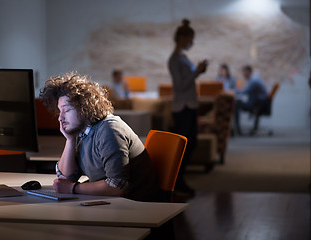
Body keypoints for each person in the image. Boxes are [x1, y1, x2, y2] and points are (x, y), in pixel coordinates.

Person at [39, 72, 159, 202]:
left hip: (136, 208)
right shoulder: (81, 132)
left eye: (66, 110)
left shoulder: (109, 130)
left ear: (84, 107)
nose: (60, 118)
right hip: (113, 204)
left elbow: (117, 186)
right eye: (60, 111)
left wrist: (73, 188)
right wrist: (70, 140)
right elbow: (66, 177)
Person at [168, 19, 208, 195]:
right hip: (182, 107)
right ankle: (176, 180)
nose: (192, 42)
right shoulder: (174, 60)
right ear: (182, 38)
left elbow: (187, 81)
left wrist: (198, 72)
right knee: (184, 145)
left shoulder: (182, 58)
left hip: (189, 105)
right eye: (191, 38)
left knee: (191, 143)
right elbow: (180, 85)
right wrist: (197, 72)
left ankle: (179, 179)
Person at [234, 65, 269, 135]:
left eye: (245, 72)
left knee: (236, 104)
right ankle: (237, 129)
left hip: (257, 105)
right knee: (238, 102)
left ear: (249, 72)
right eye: (243, 72)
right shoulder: (253, 79)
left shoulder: (253, 81)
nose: (243, 74)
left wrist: (233, 92)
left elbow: (244, 92)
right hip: (258, 103)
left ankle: (237, 130)